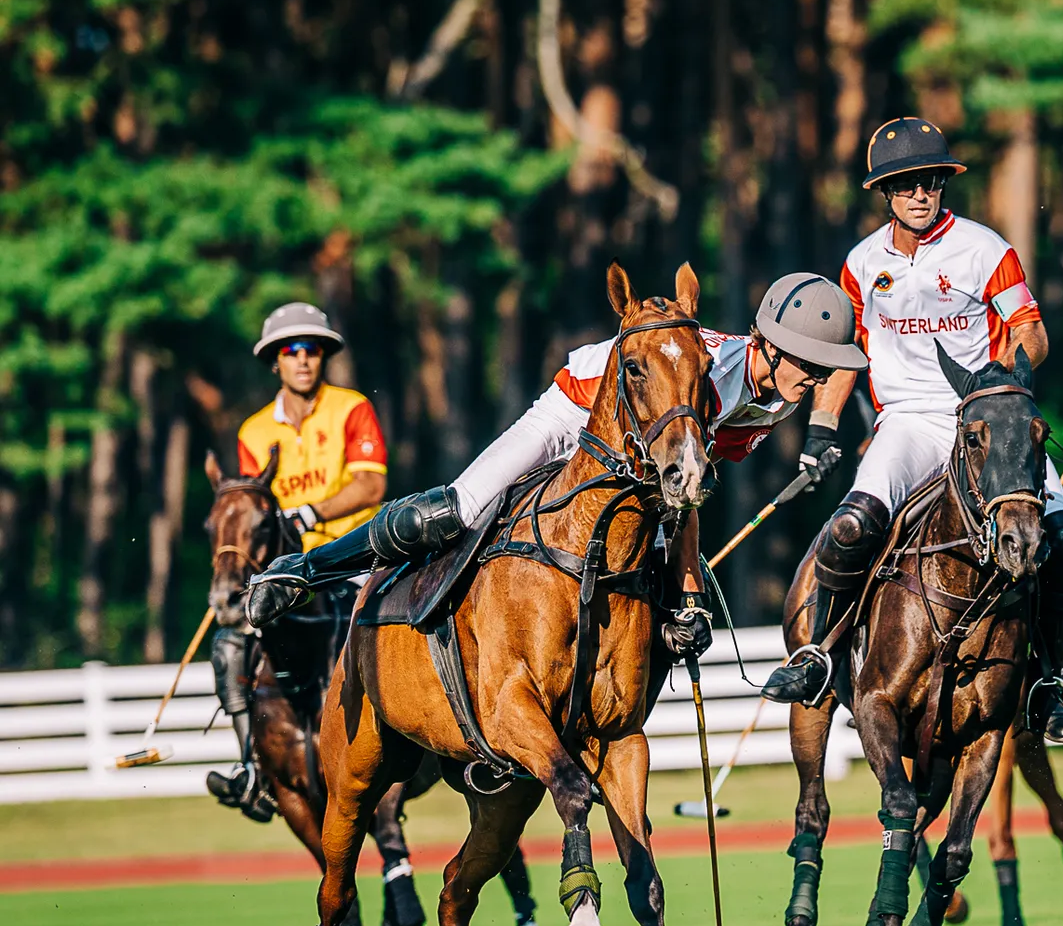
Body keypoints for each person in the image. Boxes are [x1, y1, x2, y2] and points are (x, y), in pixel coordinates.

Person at [245, 273, 869, 668]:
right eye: (810, 363)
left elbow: (683, 499)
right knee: (457, 510)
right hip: (574, 411)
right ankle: (304, 570)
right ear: (769, 345)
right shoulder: (709, 370)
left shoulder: (772, 404)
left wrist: (689, 599)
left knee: (651, 570)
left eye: (825, 367)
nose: (818, 378)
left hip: (632, 451)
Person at [757, 116, 1063, 742]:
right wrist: (822, 428)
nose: (920, 193)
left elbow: (1031, 332)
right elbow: (849, 354)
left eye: (931, 181)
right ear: (885, 191)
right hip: (907, 422)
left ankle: (1049, 679)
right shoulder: (861, 264)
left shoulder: (984, 249)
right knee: (851, 525)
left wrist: (1004, 380)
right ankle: (820, 654)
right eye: (906, 183)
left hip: (986, 420)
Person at [208, 302, 389, 820]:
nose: (303, 359)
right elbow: (250, 508)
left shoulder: (351, 408)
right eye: (291, 351)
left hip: (355, 557)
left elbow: (370, 485)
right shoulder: (253, 431)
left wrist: (310, 511)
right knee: (230, 646)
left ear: (323, 356)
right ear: (276, 362)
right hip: (288, 572)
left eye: (312, 349)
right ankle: (252, 768)